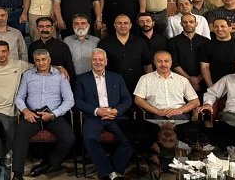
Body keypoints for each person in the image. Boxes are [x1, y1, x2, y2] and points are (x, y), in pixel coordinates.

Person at [11, 49, 75, 180]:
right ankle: (17, 174)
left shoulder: (60, 75)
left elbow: (69, 100)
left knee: (69, 138)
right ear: (34, 62)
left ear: (49, 60)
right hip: (32, 114)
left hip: (54, 114)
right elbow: (19, 97)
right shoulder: (28, 75)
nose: (41, 63)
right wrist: (25, 111)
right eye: (38, 60)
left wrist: (54, 114)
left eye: (44, 59)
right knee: (20, 135)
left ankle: (49, 163)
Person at [74, 49, 133, 180]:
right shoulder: (82, 79)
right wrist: (97, 111)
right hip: (94, 117)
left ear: (106, 62)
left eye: (101, 59)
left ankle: (113, 170)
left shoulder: (117, 77)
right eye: (94, 59)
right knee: (89, 138)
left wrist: (115, 111)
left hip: (115, 116)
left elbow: (127, 99)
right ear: (91, 61)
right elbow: (78, 101)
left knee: (131, 139)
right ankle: (109, 173)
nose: (98, 62)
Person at [133, 51, 200, 120]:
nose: (163, 64)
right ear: (154, 62)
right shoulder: (145, 79)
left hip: (179, 115)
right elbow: (138, 100)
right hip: (154, 114)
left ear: (171, 62)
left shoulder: (182, 80)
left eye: (166, 61)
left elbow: (195, 101)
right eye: (159, 61)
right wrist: (157, 111)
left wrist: (179, 110)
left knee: (176, 120)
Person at [98, 14, 152, 94]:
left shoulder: (140, 42)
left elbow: (147, 65)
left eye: (125, 23)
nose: (122, 26)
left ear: (130, 25)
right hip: (112, 85)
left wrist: (149, 83)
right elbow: (99, 65)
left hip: (137, 85)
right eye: (119, 23)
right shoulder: (104, 43)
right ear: (114, 25)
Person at [167, 13, 208, 93]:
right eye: (185, 22)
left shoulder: (205, 41)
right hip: (180, 81)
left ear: (196, 24)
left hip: (202, 81)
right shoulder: (173, 42)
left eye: (191, 22)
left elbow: (209, 63)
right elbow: (174, 63)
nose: (188, 24)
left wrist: (198, 79)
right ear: (181, 24)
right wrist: (189, 79)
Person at [28, 17, 75, 83]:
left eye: (48, 26)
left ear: (52, 28)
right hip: (38, 82)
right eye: (41, 26)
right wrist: (58, 67)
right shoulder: (32, 47)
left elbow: (70, 69)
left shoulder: (62, 46)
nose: (44, 29)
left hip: (58, 83)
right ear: (37, 28)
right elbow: (31, 67)